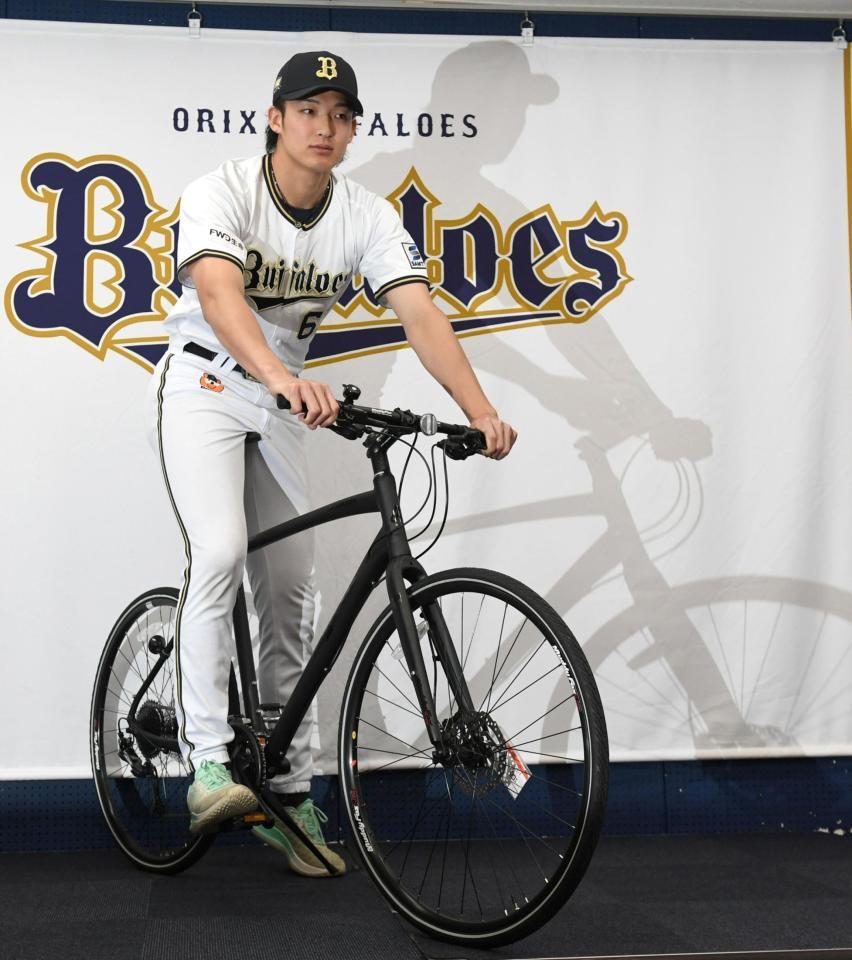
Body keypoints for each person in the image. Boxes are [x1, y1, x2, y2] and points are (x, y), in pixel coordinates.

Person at [145, 50, 517, 878]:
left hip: (284, 400)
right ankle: (208, 765)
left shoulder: (365, 214)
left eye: (341, 115)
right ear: (275, 118)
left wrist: (479, 410)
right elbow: (216, 294)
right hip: (206, 380)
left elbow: (419, 312)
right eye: (308, 110)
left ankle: (285, 785)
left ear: (352, 131)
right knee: (221, 551)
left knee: (290, 590)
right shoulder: (222, 190)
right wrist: (280, 377)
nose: (325, 127)